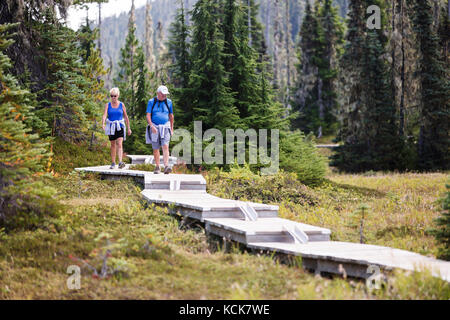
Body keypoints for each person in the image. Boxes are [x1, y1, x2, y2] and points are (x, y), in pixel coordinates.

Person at [145, 85, 174, 174]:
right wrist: (151, 126)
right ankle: (157, 166)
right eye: (163, 94)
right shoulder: (151, 102)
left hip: (165, 127)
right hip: (154, 127)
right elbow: (148, 115)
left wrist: (172, 128)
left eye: (166, 94)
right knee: (156, 147)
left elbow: (171, 116)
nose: (165, 96)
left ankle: (166, 166)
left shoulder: (169, 102)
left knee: (165, 145)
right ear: (158, 93)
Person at [102, 88, 131, 169]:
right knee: (112, 144)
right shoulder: (108, 105)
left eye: (115, 96)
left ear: (118, 96)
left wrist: (128, 128)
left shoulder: (122, 105)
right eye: (111, 96)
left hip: (120, 125)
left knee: (119, 143)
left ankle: (120, 162)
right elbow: (104, 115)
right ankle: (113, 162)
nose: (113, 97)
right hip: (111, 126)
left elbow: (126, 116)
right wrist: (103, 123)